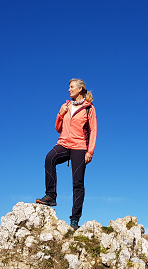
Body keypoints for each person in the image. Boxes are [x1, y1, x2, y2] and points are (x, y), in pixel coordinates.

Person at [36, 78, 97, 230]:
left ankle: (75, 220)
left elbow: (93, 130)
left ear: (80, 89)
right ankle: (51, 196)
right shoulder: (66, 106)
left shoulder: (89, 108)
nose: (69, 90)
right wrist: (60, 114)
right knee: (49, 158)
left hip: (79, 147)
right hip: (63, 143)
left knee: (78, 183)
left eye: (71, 87)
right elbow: (58, 128)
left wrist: (90, 151)